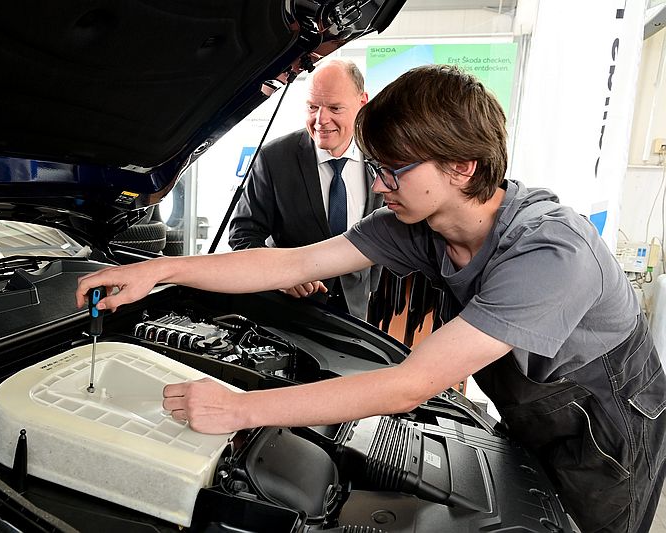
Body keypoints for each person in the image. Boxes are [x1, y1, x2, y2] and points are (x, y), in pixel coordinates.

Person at [76, 64, 666, 532]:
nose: (379, 187)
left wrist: (237, 410)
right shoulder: (416, 223)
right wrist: (158, 271)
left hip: (607, 423)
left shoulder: (549, 254)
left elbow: (410, 384)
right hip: (527, 405)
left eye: (394, 171)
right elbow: (296, 261)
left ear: (462, 167)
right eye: (375, 168)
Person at [228, 59, 383, 320]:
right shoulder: (273, 158)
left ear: (362, 102)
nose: (321, 120)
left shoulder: (382, 156)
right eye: (313, 107)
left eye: (334, 107)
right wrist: (281, 274)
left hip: (356, 318)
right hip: (288, 316)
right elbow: (243, 236)